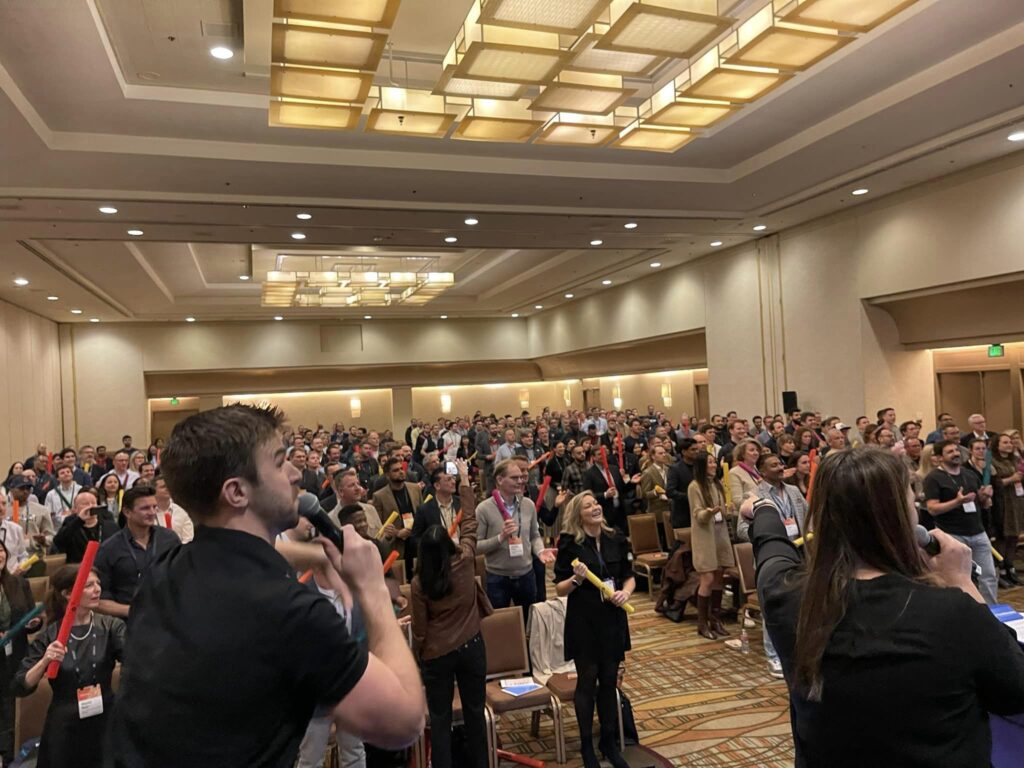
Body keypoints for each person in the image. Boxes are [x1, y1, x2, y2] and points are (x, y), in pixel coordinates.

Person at [106, 405, 424, 764]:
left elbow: (243, 553)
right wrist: (373, 590)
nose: (294, 473)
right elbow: (405, 722)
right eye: (278, 462)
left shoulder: (162, 573)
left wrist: (317, 556)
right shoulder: (288, 611)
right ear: (237, 492)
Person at [744, 447, 1024, 767]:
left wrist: (763, 508)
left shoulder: (790, 600)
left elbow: (771, 550)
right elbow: (1016, 689)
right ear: (905, 520)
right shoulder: (952, 613)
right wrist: (963, 581)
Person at [411, 460, 488, 768]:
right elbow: (469, 521)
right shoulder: (465, 559)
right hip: (471, 646)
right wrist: (467, 480)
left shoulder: (419, 583)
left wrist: (420, 655)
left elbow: (419, 629)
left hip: (436, 654)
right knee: (474, 713)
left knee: (440, 720)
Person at [15, 564, 126, 768]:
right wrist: (45, 661)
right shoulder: (51, 635)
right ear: (68, 594)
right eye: (89, 585)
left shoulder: (111, 626)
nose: (97, 589)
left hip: (105, 720)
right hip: (64, 726)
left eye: (98, 584)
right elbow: (22, 685)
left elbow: (133, 659)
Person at [553, 492, 633, 768]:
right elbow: (559, 588)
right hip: (584, 620)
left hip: (613, 619)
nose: (595, 507)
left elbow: (629, 576)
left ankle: (608, 741)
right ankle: (587, 744)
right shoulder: (569, 544)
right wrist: (576, 579)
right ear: (578, 515)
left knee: (610, 680)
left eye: (596, 503)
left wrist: (626, 592)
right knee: (588, 680)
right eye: (588, 506)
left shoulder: (616, 537)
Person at [476, 459, 554, 619]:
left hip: (526, 574)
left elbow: (534, 536)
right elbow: (476, 546)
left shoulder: (528, 505)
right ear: (499, 479)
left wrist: (540, 551)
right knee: (500, 625)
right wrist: (500, 537)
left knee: (529, 624)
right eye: (514, 478)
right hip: (497, 578)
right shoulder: (484, 509)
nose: (521, 481)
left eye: (521, 477)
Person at [924, 440, 998, 604]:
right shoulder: (934, 478)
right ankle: (963, 611)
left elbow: (982, 503)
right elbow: (932, 508)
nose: (956, 454)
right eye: (950, 452)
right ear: (939, 457)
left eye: (956, 450)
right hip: (952, 534)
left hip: (978, 531)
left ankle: (992, 613)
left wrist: (985, 497)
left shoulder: (969, 474)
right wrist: (957, 502)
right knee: (957, 578)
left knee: (988, 576)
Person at [93, 484, 180, 620]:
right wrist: (135, 611)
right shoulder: (109, 549)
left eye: (154, 507)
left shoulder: (169, 539)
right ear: (127, 512)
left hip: (169, 618)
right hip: (129, 624)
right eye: (145, 508)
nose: (152, 512)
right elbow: (98, 601)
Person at [0, 541, 43, 763]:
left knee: (12, 703)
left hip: (15, 653)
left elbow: (30, 620)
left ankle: (10, 753)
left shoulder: (19, 583)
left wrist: (34, 622)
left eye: (0, 549)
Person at [687, 451, 735, 640]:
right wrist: (709, 512)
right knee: (706, 579)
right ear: (701, 466)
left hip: (720, 535)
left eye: (714, 462)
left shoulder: (716, 485)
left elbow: (723, 512)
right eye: (710, 463)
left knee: (718, 578)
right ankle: (702, 623)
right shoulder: (694, 486)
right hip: (704, 537)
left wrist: (727, 510)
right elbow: (697, 515)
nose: (714, 465)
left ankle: (715, 619)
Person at [989, 432, 1023, 586]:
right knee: (1004, 535)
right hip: (1002, 502)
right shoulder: (992, 461)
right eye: (1005, 442)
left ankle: (1010, 567)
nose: (1009, 445)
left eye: (1010, 442)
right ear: (997, 445)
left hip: (1016, 500)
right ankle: (1001, 569)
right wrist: (1011, 479)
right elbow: (993, 483)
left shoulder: (1014, 459)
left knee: (1014, 535)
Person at [52, 488, 119, 564]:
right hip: (78, 568)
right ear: (75, 509)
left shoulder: (110, 525)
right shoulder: (71, 525)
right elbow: (58, 542)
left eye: (93, 503)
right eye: (85, 504)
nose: (90, 506)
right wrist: (79, 520)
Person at [151, 476, 195, 543]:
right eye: (163, 486)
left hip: (181, 551)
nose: (168, 488)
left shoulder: (181, 511)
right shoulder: (149, 512)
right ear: (154, 490)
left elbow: (189, 538)